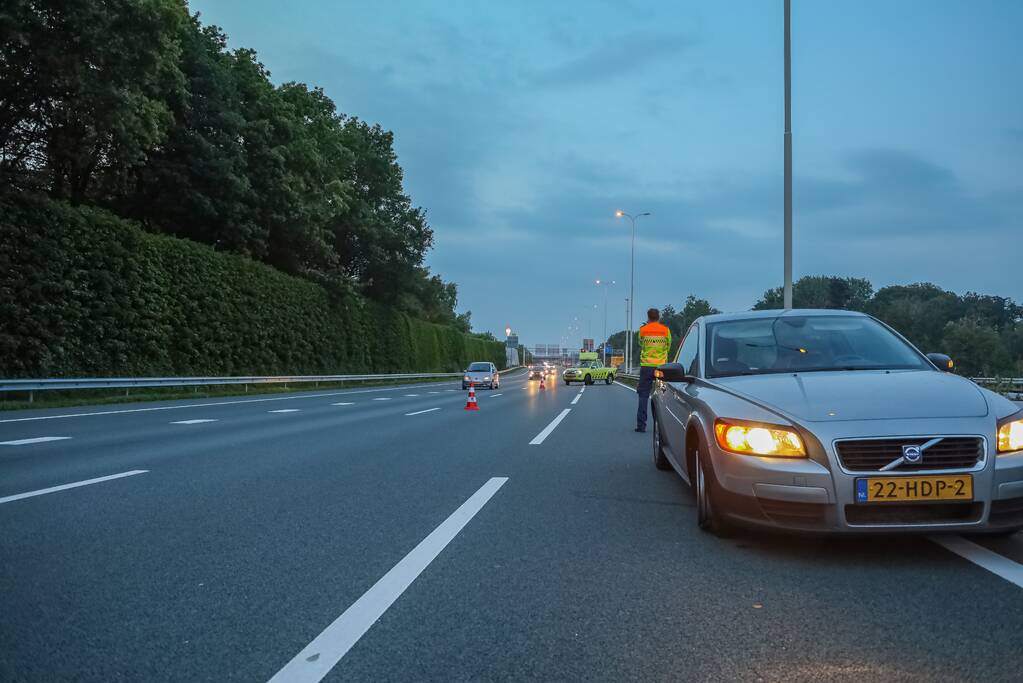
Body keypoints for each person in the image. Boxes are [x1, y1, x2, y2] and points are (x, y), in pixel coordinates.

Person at [635, 308, 671, 432]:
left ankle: (641, 426)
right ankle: (664, 427)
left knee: (643, 395)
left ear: (648, 317)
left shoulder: (642, 330)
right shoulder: (665, 330)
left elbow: (641, 344)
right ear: (659, 317)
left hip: (646, 366)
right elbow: (669, 346)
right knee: (664, 395)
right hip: (661, 367)